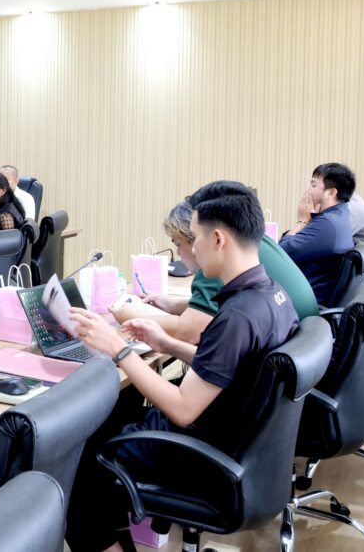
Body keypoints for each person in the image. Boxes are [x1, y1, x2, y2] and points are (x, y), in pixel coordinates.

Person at [65, 181, 298, 552]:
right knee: (114, 412)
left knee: (77, 458)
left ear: (218, 239)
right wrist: (167, 344)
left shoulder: (237, 317)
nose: (191, 246)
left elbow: (183, 408)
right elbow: (237, 371)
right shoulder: (271, 295)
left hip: (202, 454)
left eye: (195, 236)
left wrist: (117, 349)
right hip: (237, 443)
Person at [110, 199, 319, 342]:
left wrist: (133, 317)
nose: (179, 253)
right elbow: (225, 304)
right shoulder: (244, 238)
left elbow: (189, 331)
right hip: (304, 343)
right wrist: (174, 305)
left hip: (282, 357)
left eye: (178, 244)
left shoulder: (217, 261)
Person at [279, 162, 355, 305]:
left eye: (313, 185)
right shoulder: (337, 216)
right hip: (307, 293)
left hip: (304, 303)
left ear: (330, 193)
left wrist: (302, 221)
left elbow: (281, 253)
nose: (308, 191)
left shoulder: (328, 224)